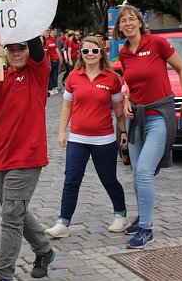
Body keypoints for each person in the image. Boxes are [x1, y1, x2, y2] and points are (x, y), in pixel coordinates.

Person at [0, 37, 54, 281]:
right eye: (12, 49)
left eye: (22, 49)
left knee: (10, 216)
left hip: (27, 157)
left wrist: (25, 20)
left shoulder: (37, 72)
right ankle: (44, 250)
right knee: (16, 210)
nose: (17, 53)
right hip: (2, 156)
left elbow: (36, 46)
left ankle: (3, 278)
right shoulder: (1, 75)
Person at [116, 5, 182, 250]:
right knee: (136, 171)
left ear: (140, 22)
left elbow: (181, 68)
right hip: (136, 118)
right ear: (119, 28)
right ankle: (142, 217)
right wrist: (126, 99)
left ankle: (146, 229)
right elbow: (129, 81)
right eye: (123, 21)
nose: (128, 23)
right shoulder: (124, 52)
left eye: (131, 19)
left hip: (159, 114)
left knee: (144, 170)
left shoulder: (157, 43)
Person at [45, 35, 128, 239]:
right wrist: (62, 131)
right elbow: (67, 106)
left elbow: (118, 109)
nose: (90, 54)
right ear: (81, 54)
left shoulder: (112, 78)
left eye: (94, 50)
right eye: (85, 51)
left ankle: (120, 214)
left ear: (101, 53)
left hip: (104, 140)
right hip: (77, 139)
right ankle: (63, 222)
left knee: (108, 179)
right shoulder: (74, 77)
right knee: (71, 180)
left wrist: (124, 132)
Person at [45, 28, 61, 95]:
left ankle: (51, 88)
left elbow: (48, 53)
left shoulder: (48, 41)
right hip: (55, 58)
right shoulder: (52, 40)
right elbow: (56, 49)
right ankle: (55, 88)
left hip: (52, 59)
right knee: (53, 74)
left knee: (50, 74)